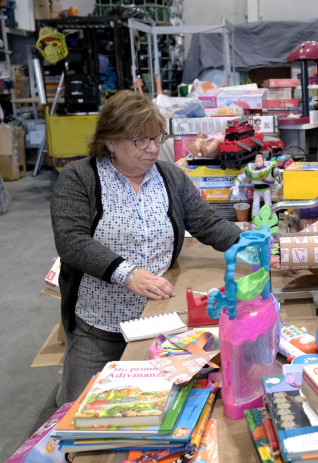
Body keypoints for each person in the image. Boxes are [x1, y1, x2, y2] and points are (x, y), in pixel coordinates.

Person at [51, 91, 241, 406]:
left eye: (156, 137)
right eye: (140, 141)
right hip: (99, 325)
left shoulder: (169, 177)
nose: (153, 148)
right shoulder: (79, 178)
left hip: (159, 321)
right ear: (110, 142)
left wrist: (248, 243)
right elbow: (71, 241)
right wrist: (128, 274)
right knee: (81, 410)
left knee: (149, 405)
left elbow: (206, 223)